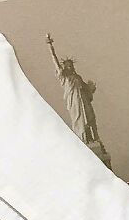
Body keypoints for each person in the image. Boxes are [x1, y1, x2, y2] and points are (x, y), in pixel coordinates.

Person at [46, 34, 112, 168]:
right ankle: (84, 141)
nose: (70, 68)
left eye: (71, 66)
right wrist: (50, 46)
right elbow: (56, 62)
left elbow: (87, 91)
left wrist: (91, 88)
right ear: (65, 68)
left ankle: (94, 139)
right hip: (75, 104)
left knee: (90, 119)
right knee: (80, 122)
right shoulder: (64, 78)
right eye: (68, 66)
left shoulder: (77, 77)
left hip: (84, 103)